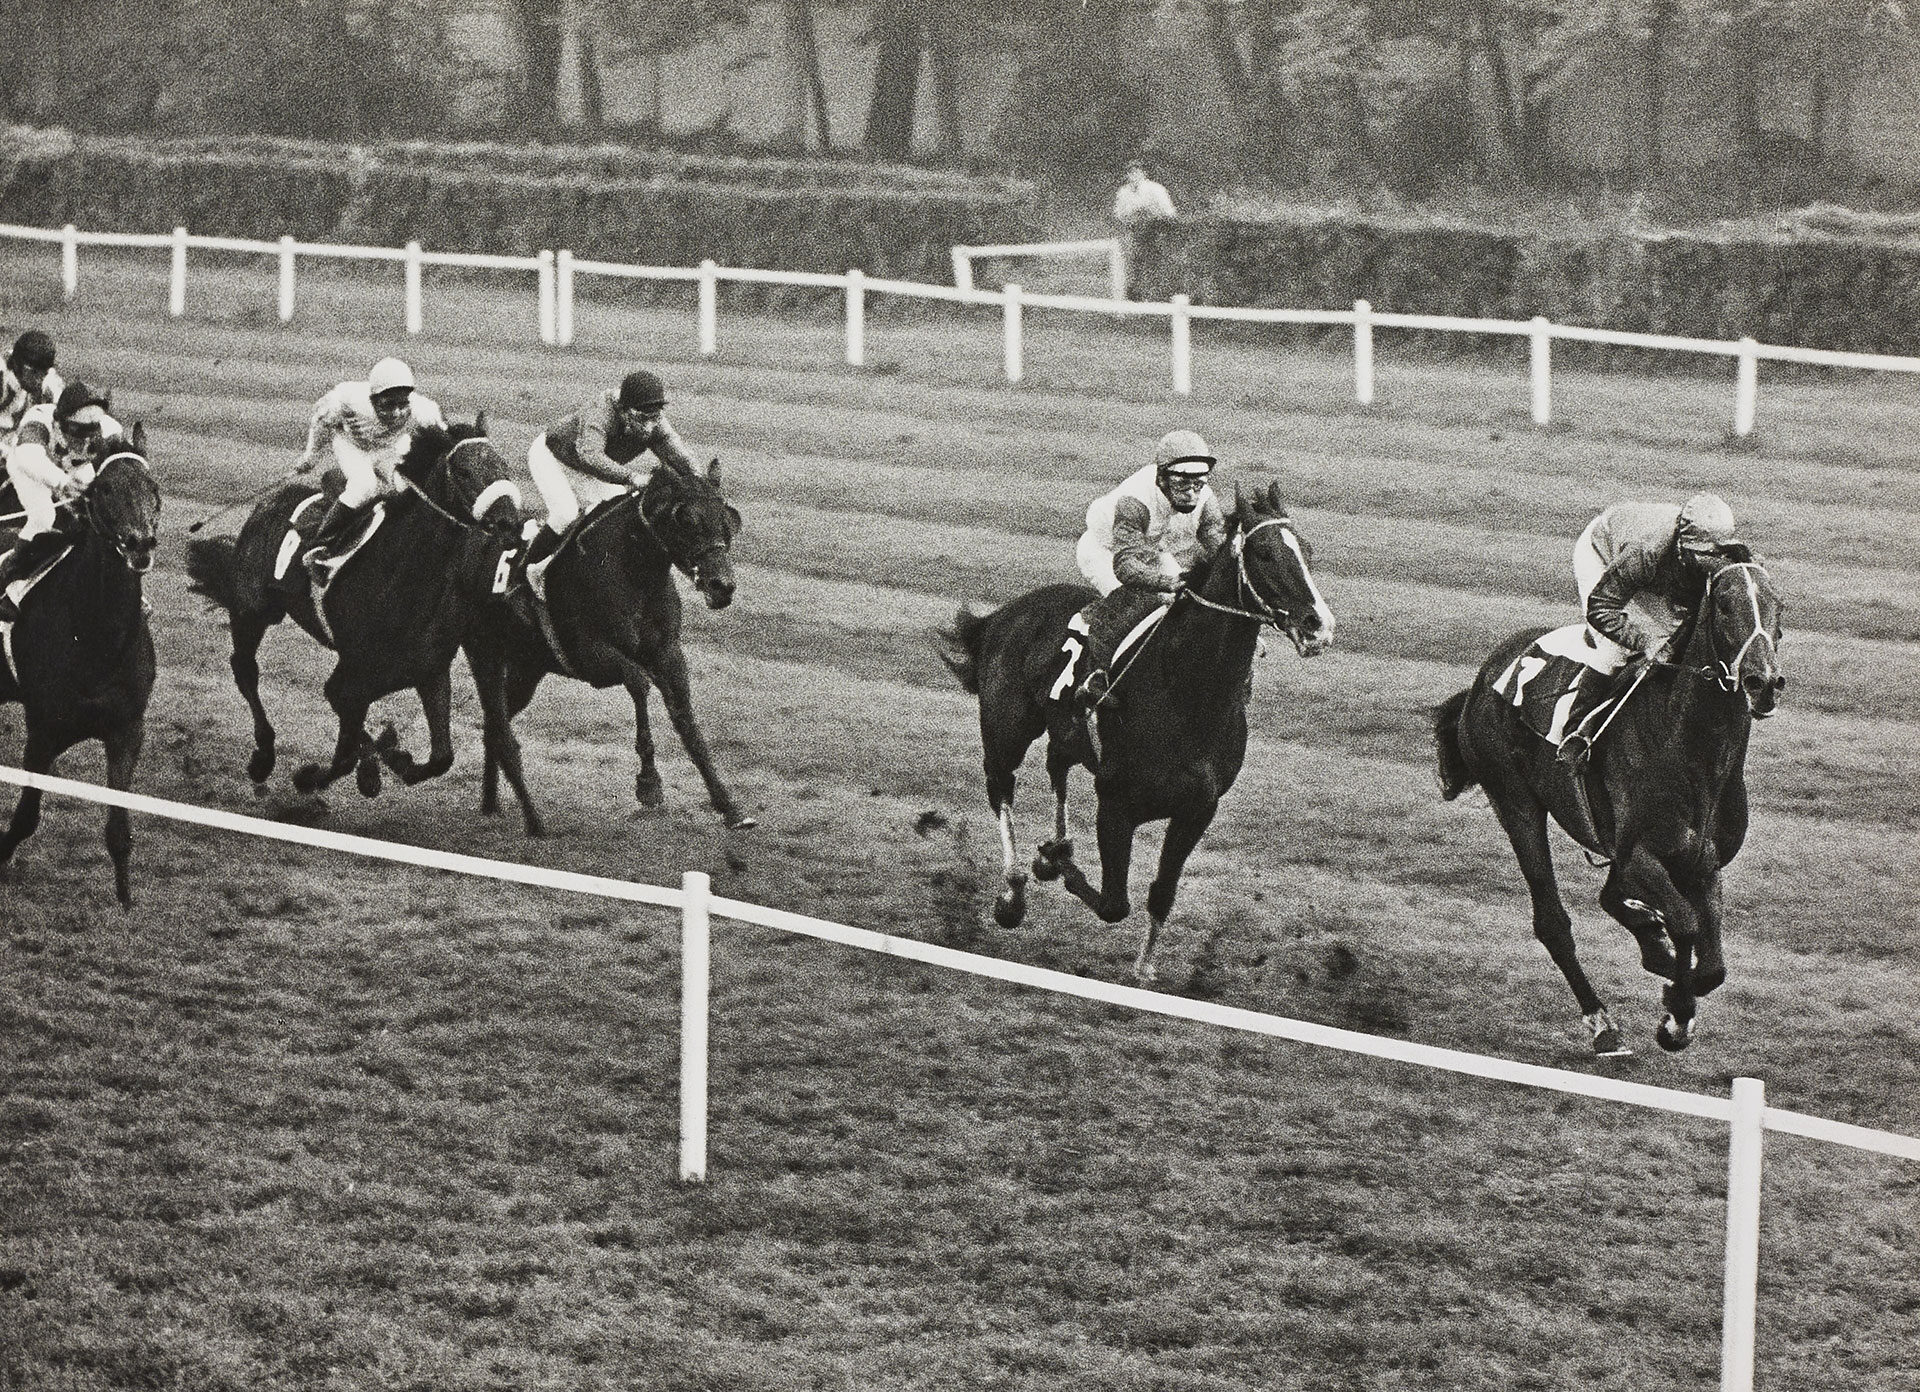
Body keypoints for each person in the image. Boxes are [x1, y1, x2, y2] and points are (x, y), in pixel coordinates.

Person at [1557, 491, 1745, 762]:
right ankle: (1576, 733)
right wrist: (1644, 642)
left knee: (1678, 640)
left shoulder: (1715, 552)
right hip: (1603, 551)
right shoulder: (1645, 551)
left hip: (1659, 572)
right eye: (1703, 555)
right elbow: (1600, 608)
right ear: (1682, 545)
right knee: (1616, 650)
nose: (1711, 563)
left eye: (1717, 554)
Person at [1055, 429, 1228, 709]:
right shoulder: (1134, 502)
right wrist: (1166, 582)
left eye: (1197, 483)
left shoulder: (1206, 500)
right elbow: (1125, 567)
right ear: (1161, 477)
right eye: (1182, 484)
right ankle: (1095, 677)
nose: (1191, 493)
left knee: (1181, 603)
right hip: (1106, 551)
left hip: (1152, 549)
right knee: (1135, 601)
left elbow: (1218, 545)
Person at [521, 368, 700, 583]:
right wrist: (631, 477)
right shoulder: (601, 411)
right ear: (624, 411)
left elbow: (678, 454)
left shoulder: (654, 423)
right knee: (565, 514)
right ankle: (528, 572)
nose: (649, 426)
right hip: (553, 456)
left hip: (590, 468)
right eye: (642, 418)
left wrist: (699, 480)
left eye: (655, 417)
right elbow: (589, 455)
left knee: (615, 519)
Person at [294, 357, 445, 567]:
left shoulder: (423, 410)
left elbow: (443, 439)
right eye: (388, 405)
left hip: (388, 449)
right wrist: (311, 457)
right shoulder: (346, 400)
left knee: (407, 489)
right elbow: (321, 423)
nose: (397, 413)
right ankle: (321, 543)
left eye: (402, 404)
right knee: (364, 486)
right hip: (352, 446)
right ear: (373, 399)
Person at [0, 380, 124, 619]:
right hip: (30, 468)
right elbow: (29, 457)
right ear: (59, 421)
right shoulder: (38, 421)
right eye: (77, 430)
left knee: (94, 519)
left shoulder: (109, 430)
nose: (85, 438)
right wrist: (62, 483)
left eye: (92, 430)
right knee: (44, 516)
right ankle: (10, 576)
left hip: (72, 467)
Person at [1111, 161, 1177, 301]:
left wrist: (1151, 215)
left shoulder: (1156, 189)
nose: (1133, 175)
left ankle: (1162, 292)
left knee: (1158, 258)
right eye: (1130, 172)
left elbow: (1170, 213)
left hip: (1158, 230)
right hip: (1135, 231)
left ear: (1143, 173)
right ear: (1127, 175)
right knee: (1130, 256)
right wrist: (1132, 217)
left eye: (1137, 172)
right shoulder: (1123, 192)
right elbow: (1119, 214)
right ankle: (1133, 291)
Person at [0, 330, 65, 437]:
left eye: (43, 372)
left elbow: (66, 408)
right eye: (33, 372)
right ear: (16, 364)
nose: (39, 379)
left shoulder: (48, 379)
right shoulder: (2, 376)